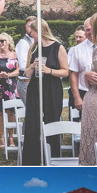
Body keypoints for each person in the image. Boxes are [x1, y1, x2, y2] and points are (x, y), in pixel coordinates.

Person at [21, 19, 69, 166]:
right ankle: (32, 161)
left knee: (52, 120)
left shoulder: (58, 47)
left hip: (52, 89)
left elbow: (66, 72)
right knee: (33, 122)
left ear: (39, 31)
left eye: (32, 32)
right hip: (35, 88)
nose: (31, 35)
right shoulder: (33, 48)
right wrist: (32, 67)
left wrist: (49, 70)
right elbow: (26, 74)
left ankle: (52, 158)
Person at [79, 11, 97, 166]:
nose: (90, 32)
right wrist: (87, 76)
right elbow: (89, 83)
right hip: (90, 106)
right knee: (90, 149)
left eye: (93, 27)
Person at [68, 18, 94, 118]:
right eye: (87, 30)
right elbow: (73, 74)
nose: (90, 32)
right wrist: (77, 97)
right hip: (84, 91)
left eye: (92, 29)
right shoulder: (77, 49)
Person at [14, 16, 36, 106]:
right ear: (25, 27)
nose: (31, 29)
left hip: (33, 82)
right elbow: (22, 66)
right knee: (32, 110)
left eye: (33, 26)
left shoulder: (36, 41)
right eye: (29, 26)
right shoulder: (23, 43)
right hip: (26, 83)